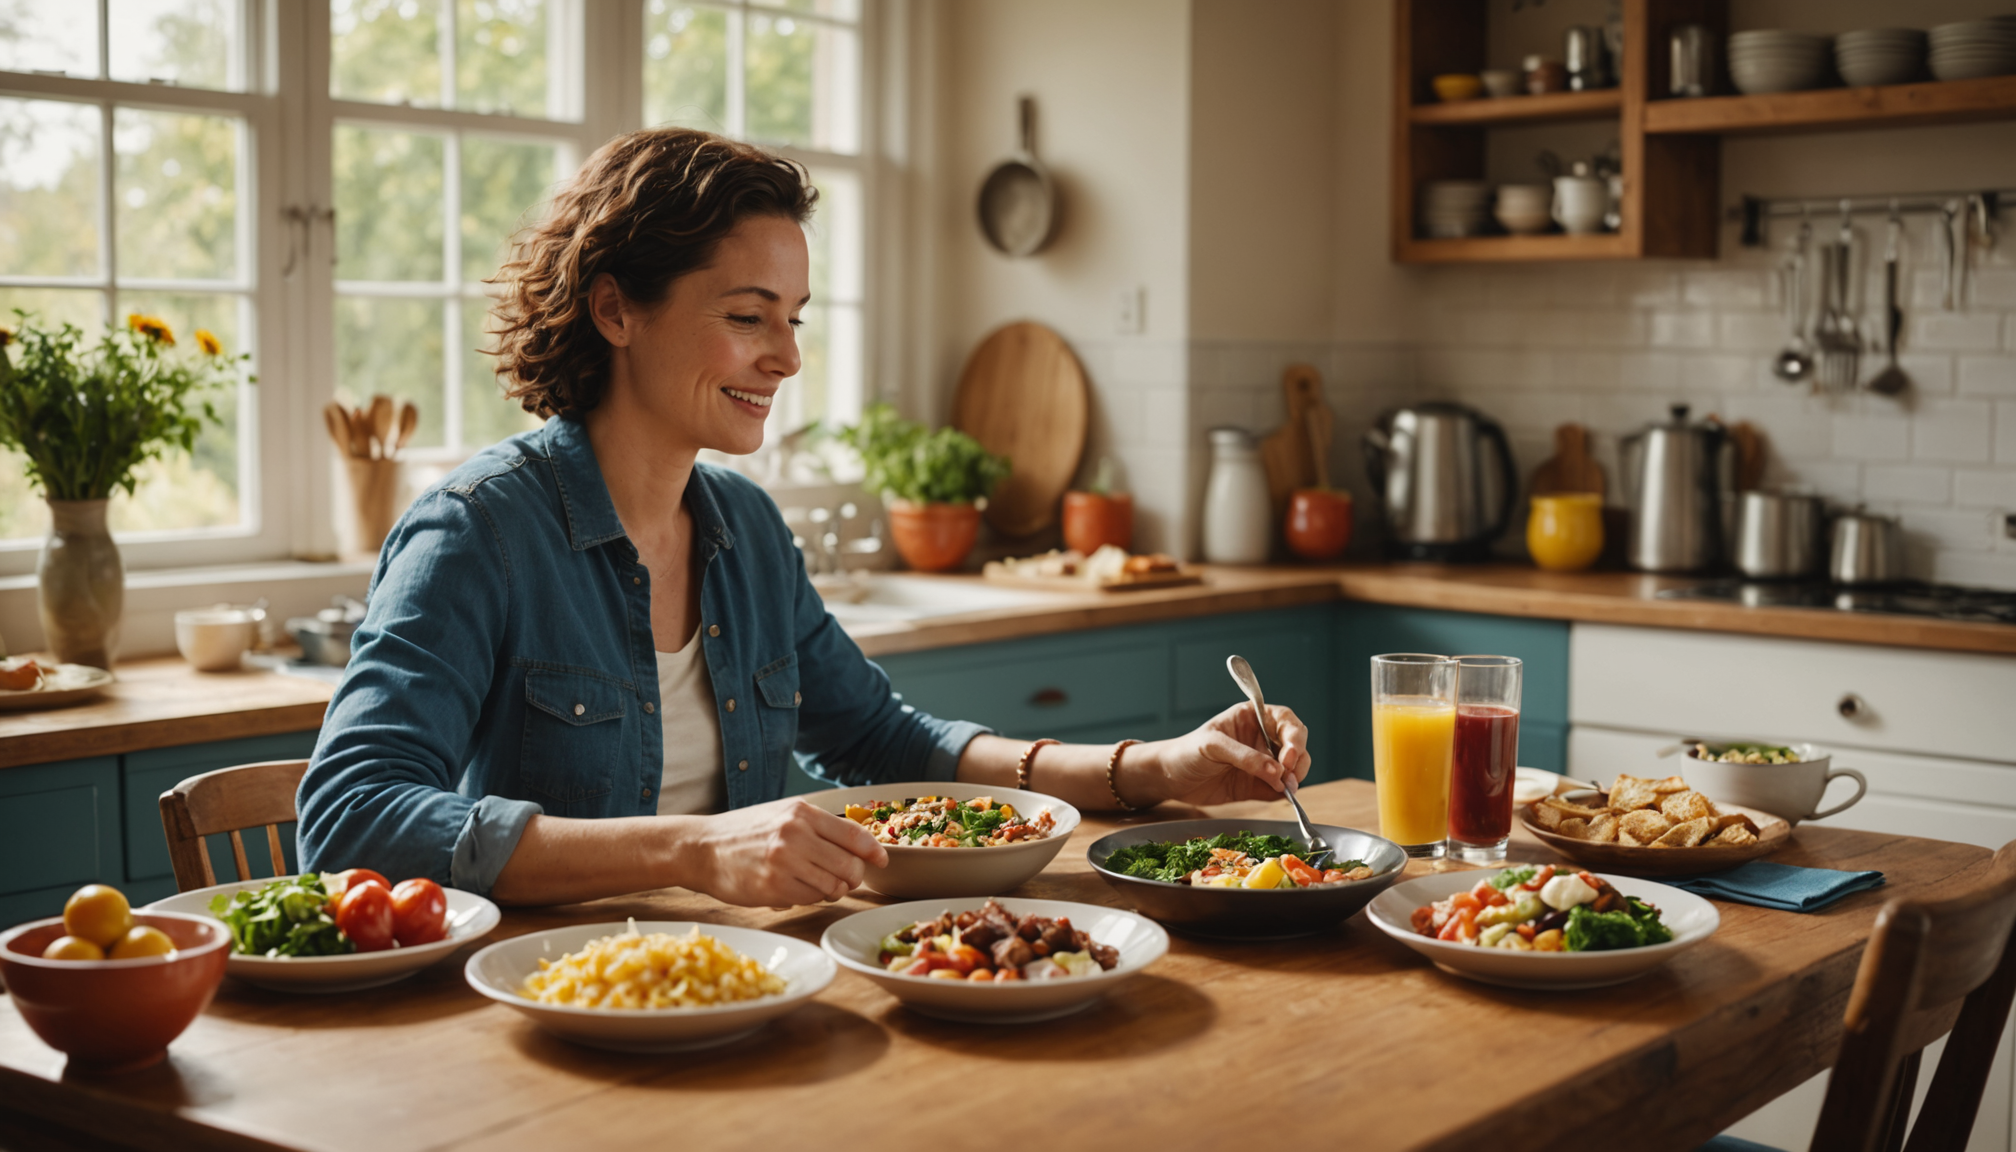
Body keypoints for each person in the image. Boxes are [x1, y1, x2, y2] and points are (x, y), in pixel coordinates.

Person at [296, 128, 1311, 908]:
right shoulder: (479, 533)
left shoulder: (741, 528)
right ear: (616, 312)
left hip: (738, 987)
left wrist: (1154, 769)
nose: (784, 359)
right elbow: (349, 821)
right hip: (543, 1013)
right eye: (748, 317)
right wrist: (696, 849)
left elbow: (882, 739)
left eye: (794, 319)